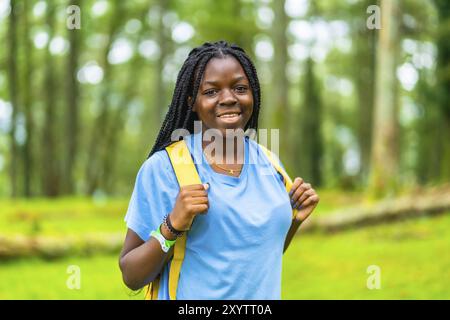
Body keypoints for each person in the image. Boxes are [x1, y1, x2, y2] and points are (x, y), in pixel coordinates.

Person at [119, 40, 319, 299]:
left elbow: (255, 257)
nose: (228, 99)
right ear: (192, 102)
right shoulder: (165, 168)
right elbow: (131, 276)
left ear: (253, 94)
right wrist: (172, 224)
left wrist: (293, 220)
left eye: (239, 88)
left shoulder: (270, 164)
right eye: (211, 92)